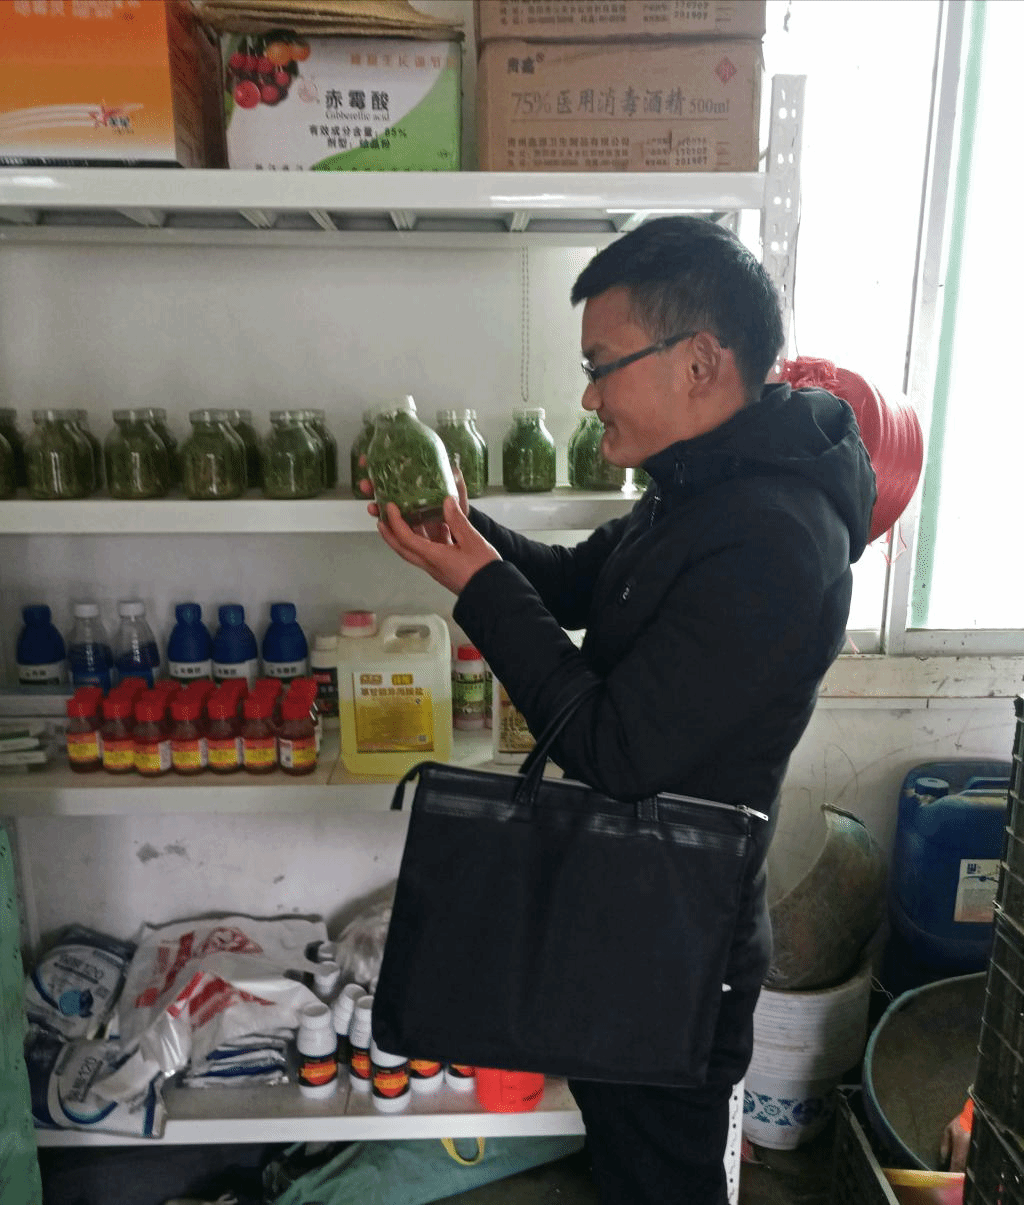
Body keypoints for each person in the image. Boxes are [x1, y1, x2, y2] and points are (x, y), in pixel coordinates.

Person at [364, 215, 877, 1204]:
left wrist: (476, 583)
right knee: (628, 1162)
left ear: (699, 361)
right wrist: (457, 527)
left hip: (680, 941)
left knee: (661, 1177)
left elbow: (617, 747)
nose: (590, 395)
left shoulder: (774, 537)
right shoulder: (702, 483)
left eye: (602, 366)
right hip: (630, 909)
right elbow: (573, 582)